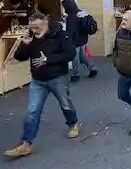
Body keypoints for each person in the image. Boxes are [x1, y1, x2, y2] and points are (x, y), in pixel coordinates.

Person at [3, 13, 80, 158]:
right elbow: (20, 57)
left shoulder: (60, 34)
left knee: (65, 104)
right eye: (32, 27)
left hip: (58, 77)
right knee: (32, 111)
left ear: (45, 23)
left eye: (37, 27)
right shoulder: (32, 37)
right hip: (38, 80)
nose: (35, 30)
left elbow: (70, 54)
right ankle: (25, 144)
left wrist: (48, 59)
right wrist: (24, 44)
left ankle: (73, 123)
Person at [62, 0, 98, 82]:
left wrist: (67, 40)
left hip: (75, 40)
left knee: (75, 57)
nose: (64, 8)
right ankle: (92, 68)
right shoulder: (81, 12)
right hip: (83, 38)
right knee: (82, 56)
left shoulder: (71, 16)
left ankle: (76, 74)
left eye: (64, 6)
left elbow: (70, 30)